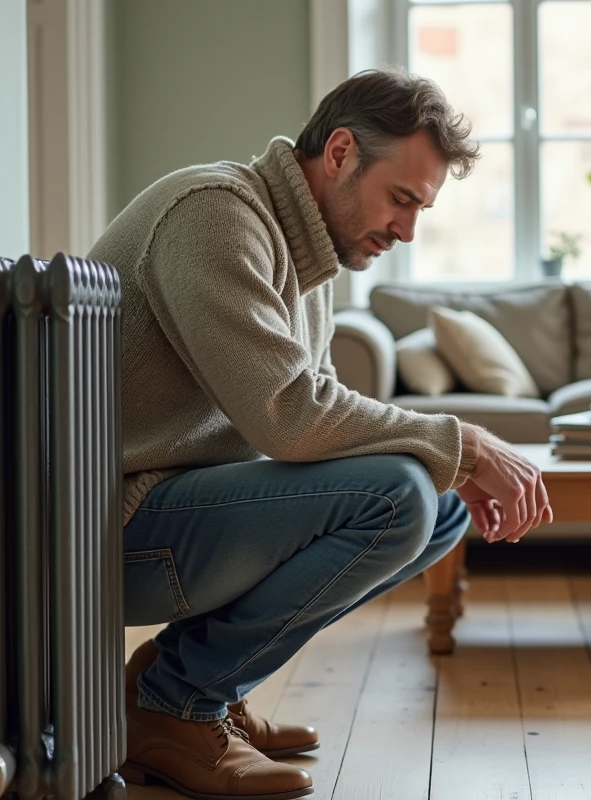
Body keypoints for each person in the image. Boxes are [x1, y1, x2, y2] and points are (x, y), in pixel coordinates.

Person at [87, 68, 552, 800]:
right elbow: (291, 416)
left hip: (169, 513)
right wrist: (463, 442)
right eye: (401, 199)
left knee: (442, 503)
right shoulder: (213, 215)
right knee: (402, 492)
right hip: (102, 533)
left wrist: (450, 461)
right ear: (339, 153)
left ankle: (194, 683)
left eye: (420, 208)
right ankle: (172, 705)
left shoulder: (308, 256)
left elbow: (323, 414)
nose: (406, 229)